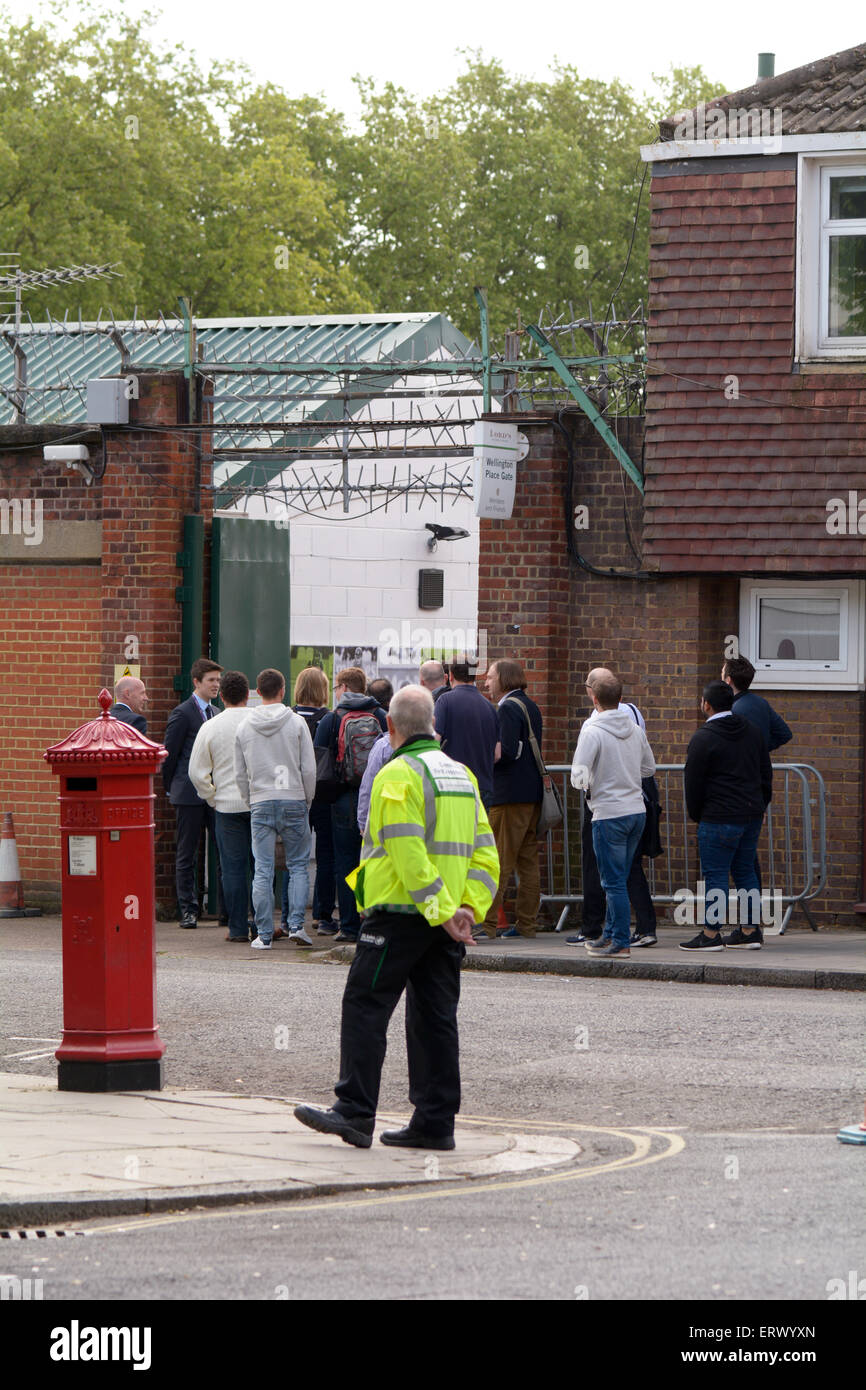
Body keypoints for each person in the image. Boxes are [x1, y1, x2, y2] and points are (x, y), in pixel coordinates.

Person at [293, 685, 499, 1150]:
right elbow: (487, 854)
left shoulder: (395, 774)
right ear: (433, 726)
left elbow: (407, 852)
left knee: (365, 1006)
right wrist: (467, 909)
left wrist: (441, 910)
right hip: (444, 920)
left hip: (400, 915)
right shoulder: (461, 776)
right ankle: (434, 1122)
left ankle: (353, 1111)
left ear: (391, 727)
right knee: (434, 1018)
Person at [567, 673, 658, 948]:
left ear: (594, 698)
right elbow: (649, 769)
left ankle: (618, 940)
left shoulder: (591, 730)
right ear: (620, 698)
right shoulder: (635, 729)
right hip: (636, 811)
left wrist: (594, 782)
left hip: (608, 812)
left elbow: (579, 777)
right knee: (620, 876)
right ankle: (610, 934)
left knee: (612, 881)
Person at [680, 680, 772, 951]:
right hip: (751, 814)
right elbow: (766, 773)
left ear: (706, 705)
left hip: (718, 816)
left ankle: (711, 934)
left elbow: (693, 784)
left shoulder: (703, 737)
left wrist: (698, 814)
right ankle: (750, 930)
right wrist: (761, 804)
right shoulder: (753, 732)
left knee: (716, 875)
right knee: (745, 872)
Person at [234, 668, 317, 950]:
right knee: (297, 867)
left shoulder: (244, 726)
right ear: (282, 690)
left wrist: (251, 799)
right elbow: (308, 768)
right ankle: (296, 926)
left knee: (263, 869)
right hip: (293, 797)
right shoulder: (295, 723)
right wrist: (306, 800)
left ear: (258, 691)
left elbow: (239, 772)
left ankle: (264, 934)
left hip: (260, 800)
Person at [314, 668, 388, 943]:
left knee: (345, 862)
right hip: (376, 797)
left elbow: (319, 762)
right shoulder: (381, 716)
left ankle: (347, 926)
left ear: (344, 687)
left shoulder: (332, 719)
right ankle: (370, 922)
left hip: (344, 798)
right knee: (371, 861)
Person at [478, 659, 543, 941]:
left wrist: (482, 756)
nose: (486, 682)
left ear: (503, 679)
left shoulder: (506, 708)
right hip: (531, 794)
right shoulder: (531, 705)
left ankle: (488, 924)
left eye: (490, 677)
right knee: (528, 863)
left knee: (497, 861)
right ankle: (527, 924)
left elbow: (505, 752)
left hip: (509, 795)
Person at [188, 670, 254, 943]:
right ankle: (261, 925)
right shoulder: (257, 721)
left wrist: (212, 797)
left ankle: (237, 927)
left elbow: (196, 772)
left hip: (226, 807)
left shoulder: (211, 726)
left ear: (222, 695)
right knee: (260, 867)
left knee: (233, 869)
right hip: (258, 804)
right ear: (248, 695)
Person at [163, 657, 224, 929]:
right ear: (197, 682)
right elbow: (170, 755)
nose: (216, 685)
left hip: (214, 793)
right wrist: (171, 788)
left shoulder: (217, 713)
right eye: (211, 680)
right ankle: (188, 910)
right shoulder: (182, 713)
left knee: (223, 850)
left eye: (218, 681)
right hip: (187, 794)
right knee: (187, 853)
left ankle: (226, 910)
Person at [287, 667, 337, 938]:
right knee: (326, 856)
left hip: (294, 792)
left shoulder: (288, 717)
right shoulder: (329, 718)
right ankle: (323, 916)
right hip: (325, 794)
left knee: (294, 857)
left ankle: (287, 917)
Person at [433, 654, 500, 810]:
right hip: (484, 786)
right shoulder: (490, 707)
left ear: (450, 676)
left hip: (454, 785)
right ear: (474, 674)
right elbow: (497, 754)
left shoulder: (445, 701)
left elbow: (435, 740)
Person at [721, 656, 793, 752]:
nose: (720, 677)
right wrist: (763, 748)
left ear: (728, 680)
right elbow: (785, 734)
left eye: (722, 674)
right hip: (760, 765)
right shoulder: (761, 703)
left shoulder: (731, 711)